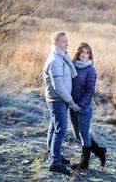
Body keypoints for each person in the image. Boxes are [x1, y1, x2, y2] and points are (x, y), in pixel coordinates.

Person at [43, 32, 81, 175]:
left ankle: (55, 155)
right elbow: (58, 86)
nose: (67, 43)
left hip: (59, 100)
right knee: (61, 131)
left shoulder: (61, 57)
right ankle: (55, 163)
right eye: (64, 41)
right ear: (55, 43)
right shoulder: (55, 61)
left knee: (54, 128)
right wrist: (71, 102)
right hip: (57, 100)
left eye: (67, 41)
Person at [70, 42, 107, 170]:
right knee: (77, 135)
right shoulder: (72, 66)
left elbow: (90, 91)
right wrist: (70, 103)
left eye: (87, 52)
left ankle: (84, 163)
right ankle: (99, 151)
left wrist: (79, 105)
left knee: (84, 135)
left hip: (83, 108)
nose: (84, 55)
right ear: (78, 53)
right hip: (72, 106)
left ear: (90, 54)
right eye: (82, 52)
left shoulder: (90, 70)